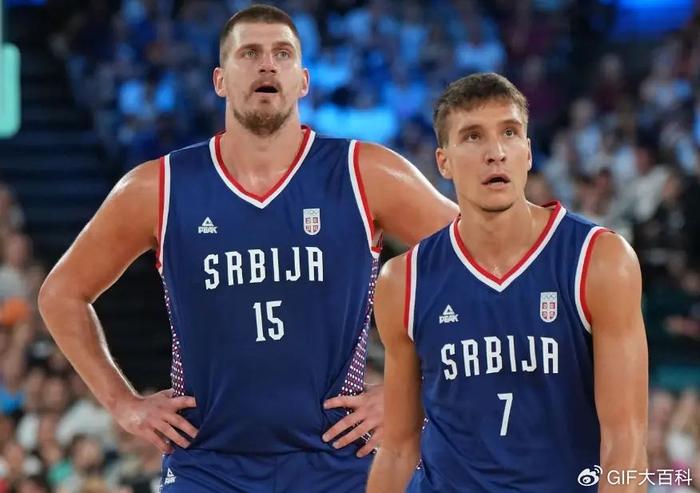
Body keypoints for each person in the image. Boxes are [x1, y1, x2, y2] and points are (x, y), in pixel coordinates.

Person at [37, 5, 458, 493]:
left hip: (340, 461)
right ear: (219, 80)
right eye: (250, 53)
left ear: (303, 81)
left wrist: (412, 392)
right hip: (207, 465)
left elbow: (488, 262)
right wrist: (123, 404)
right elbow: (61, 295)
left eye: (282, 54)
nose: (267, 65)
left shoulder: (365, 172)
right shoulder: (159, 187)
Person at [367, 73, 648, 493]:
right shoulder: (404, 281)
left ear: (528, 153)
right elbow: (397, 447)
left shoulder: (600, 261)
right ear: (443, 162)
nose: (495, 153)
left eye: (510, 133)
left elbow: (625, 442)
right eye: (473, 136)